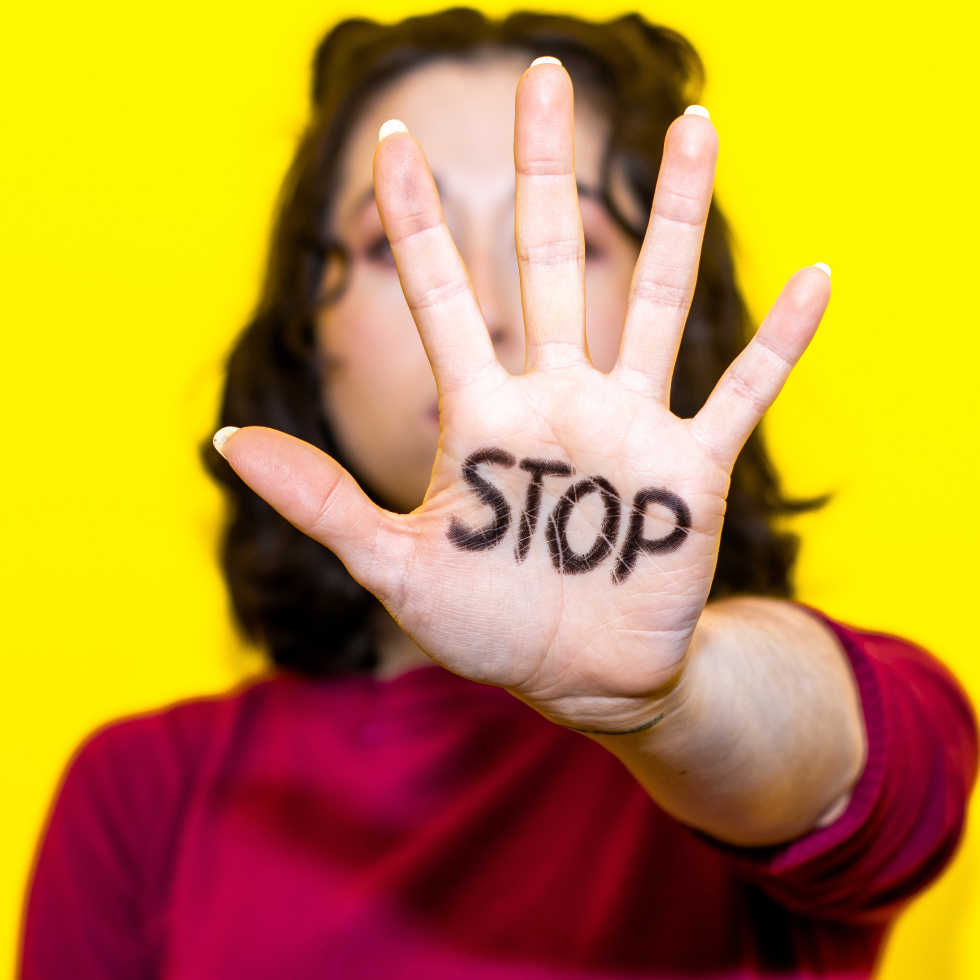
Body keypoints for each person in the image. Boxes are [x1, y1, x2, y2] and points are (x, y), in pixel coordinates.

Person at [21, 9, 977, 978]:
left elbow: (892, 782)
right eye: (399, 240)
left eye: (573, 232)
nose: (486, 301)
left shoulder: (768, 737)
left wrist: (665, 698)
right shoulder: (144, 792)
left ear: (674, 313)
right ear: (311, 334)